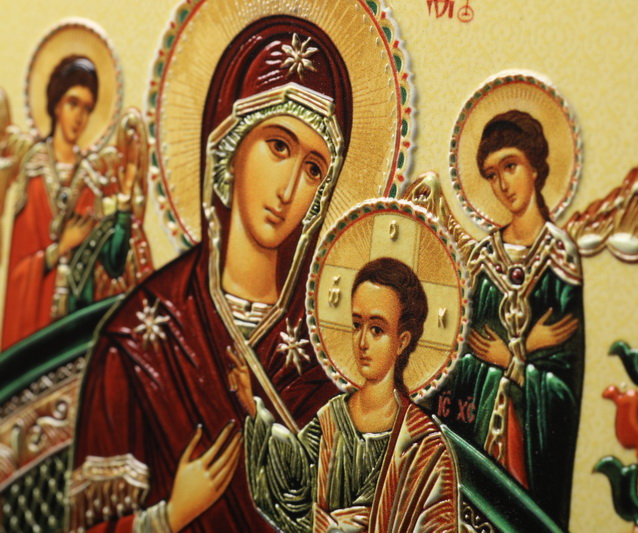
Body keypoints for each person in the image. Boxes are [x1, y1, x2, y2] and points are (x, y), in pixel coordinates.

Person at [69, 18, 352, 532]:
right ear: (231, 143)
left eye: (314, 168)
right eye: (279, 146)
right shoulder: (137, 344)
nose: (289, 189)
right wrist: (169, 517)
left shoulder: (331, 354)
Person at [434, 110, 584, 530]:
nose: (502, 184)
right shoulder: (485, 260)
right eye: (491, 174)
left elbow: (564, 385)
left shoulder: (560, 261)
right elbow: (465, 358)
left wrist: (511, 361)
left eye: (510, 166)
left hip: (532, 458)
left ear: (534, 165)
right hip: (481, 446)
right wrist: (523, 350)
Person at [236, 257, 458, 532]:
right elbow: (290, 488)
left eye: (377, 329)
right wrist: (254, 411)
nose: (362, 342)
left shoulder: (424, 446)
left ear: (402, 341)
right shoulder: (331, 420)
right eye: (356, 325)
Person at [2, 55, 137, 349]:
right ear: (56, 105)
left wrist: (125, 204)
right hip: (36, 330)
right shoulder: (34, 175)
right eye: (73, 104)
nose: (79, 117)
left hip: (78, 330)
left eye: (87, 109)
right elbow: (17, 272)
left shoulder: (90, 182)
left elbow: (113, 263)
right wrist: (60, 248)